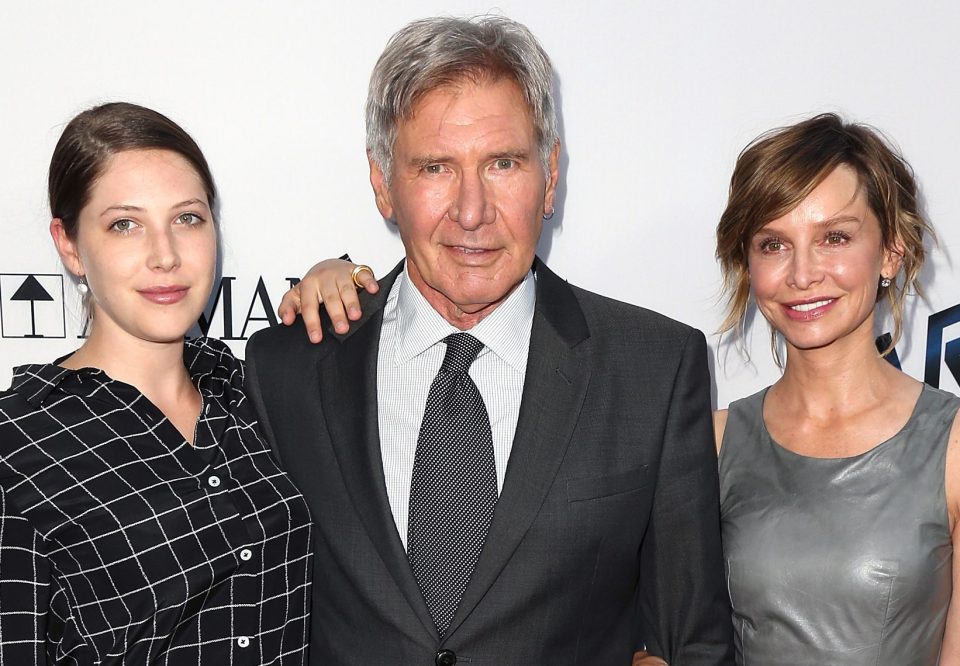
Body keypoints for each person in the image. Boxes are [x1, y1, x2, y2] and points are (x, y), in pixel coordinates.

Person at [246, 15, 734, 665]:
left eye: (503, 163)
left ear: (551, 175)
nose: (472, 210)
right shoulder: (288, 371)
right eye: (435, 167)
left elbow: (692, 641)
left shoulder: (654, 368)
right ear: (382, 183)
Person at [0, 102, 313, 664]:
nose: (165, 255)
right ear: (69, 245)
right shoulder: (14, 444)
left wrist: (346, 283)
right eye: (125, 224)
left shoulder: (254, 392)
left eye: (187, 218)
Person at [714, 114, 960, 664]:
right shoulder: (713, 444)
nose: (803, 274)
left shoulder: (953, 447)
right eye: (773, 244)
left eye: (835, 237)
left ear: (891, 252)